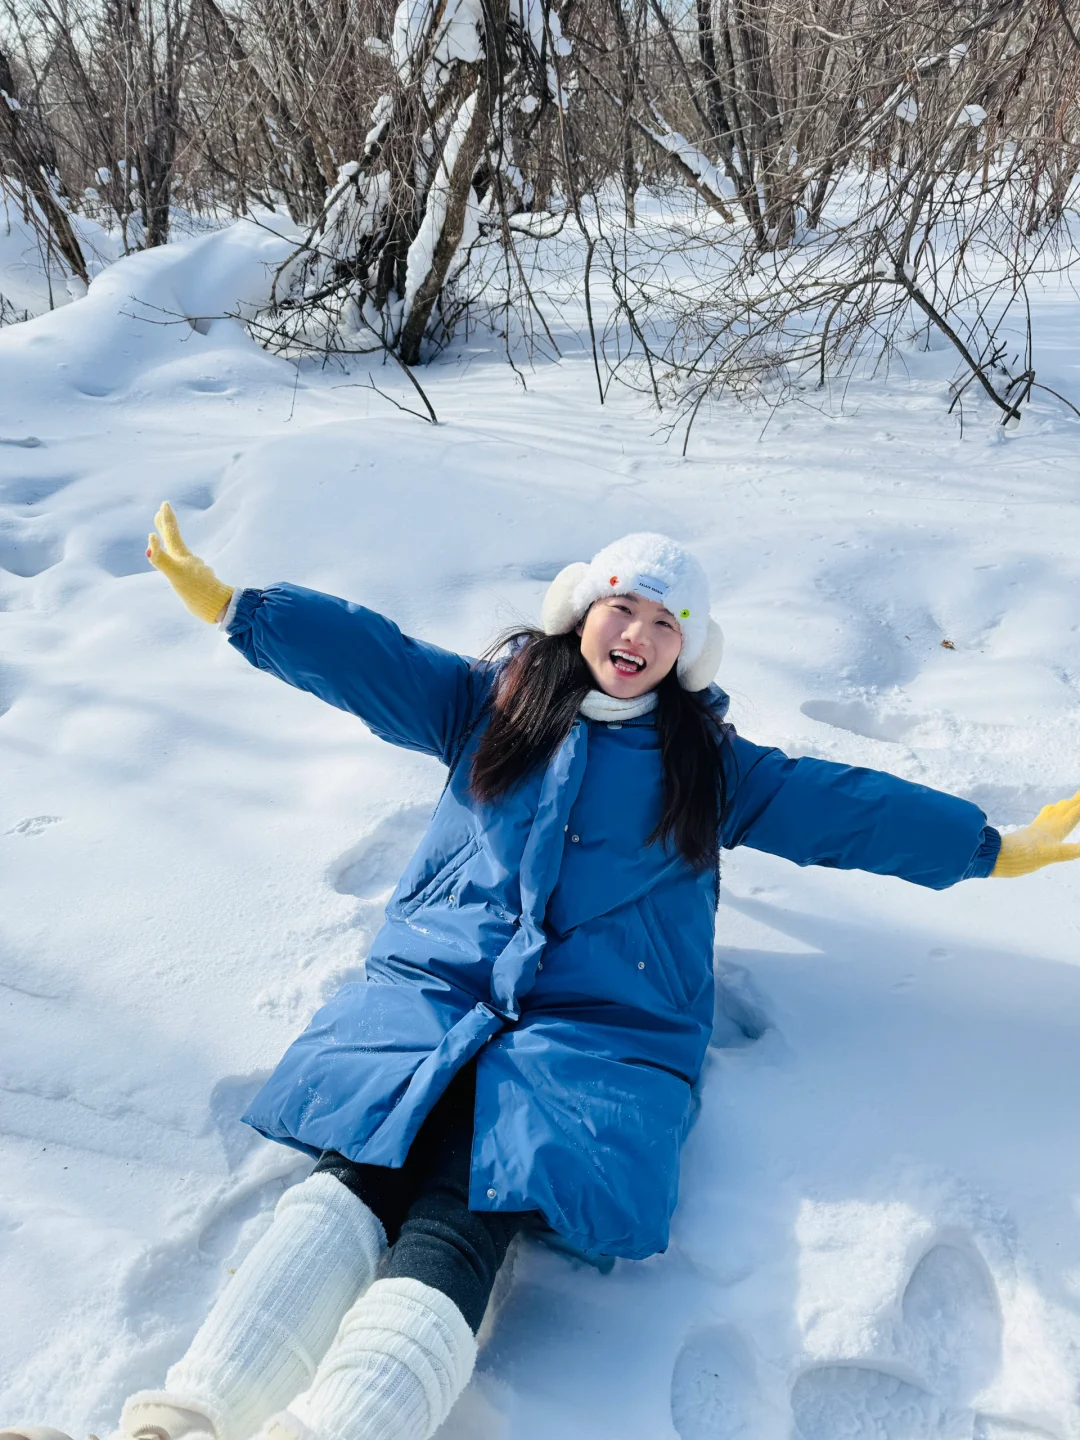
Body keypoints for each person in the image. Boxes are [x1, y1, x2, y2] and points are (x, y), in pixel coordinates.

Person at [6, 508, 1079, 1440]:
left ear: (687, 651)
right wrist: (241, 609)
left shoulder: (710, 768)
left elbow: (844, 809)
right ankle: (177, 1420)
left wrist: (991, 847)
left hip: (595, 1038)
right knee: (347, 1188)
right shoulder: (490, 707)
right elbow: (372, 658)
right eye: (626, 608)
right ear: (581, 611)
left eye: (669, 624)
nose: (641, 635)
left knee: (464, 1213)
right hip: (431, 1005)